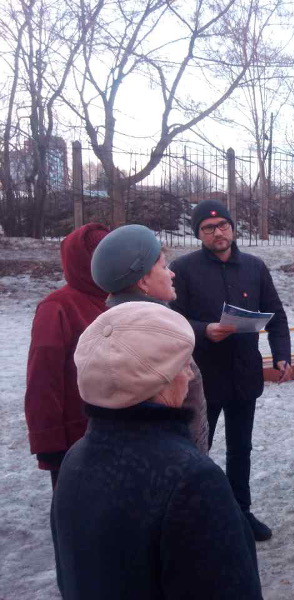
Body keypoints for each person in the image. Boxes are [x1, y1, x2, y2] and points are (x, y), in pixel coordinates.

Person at [51, 302, 262, 599]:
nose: (189, 376)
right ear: (159, 380)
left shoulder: (76, 458)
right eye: (183, 365)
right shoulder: (191, 479)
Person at [170, 199, 292, 542]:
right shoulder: (184, 269)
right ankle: (195, 518)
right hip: (201, 379)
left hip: (243, 374)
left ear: (233, 228)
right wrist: (203, 330)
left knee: (241, 448)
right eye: (208, 229)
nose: (218, 233)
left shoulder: (254, 267)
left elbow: (276, 316)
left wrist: (281, 355)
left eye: (223, 225)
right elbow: (171, 320)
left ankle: (241, 512)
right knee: (196, 449)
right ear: (199, 234)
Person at [90, 224, 209, 453]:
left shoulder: (113, 327)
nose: (172, 273)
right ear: (143, 282)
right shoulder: (157, 338)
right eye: (164, 267)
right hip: (175, 466)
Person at [24, 223, 109, 489]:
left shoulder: (122, 298)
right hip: (76, 439)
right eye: (98, 254)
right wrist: (47, 439)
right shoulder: (57, 306)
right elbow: (43, 379)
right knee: (73, 518)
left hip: (122, 433)